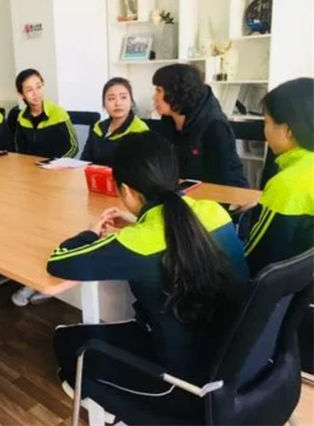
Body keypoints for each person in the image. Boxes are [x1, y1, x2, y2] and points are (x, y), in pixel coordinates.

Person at [49, 132, 249, 393]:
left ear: (126, 190)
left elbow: (59, 261)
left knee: (64, 340)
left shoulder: (136, 243)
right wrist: (138, 222)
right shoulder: (215, 211)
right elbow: (181, 235)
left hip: (179, 379)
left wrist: (91, 232)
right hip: (236, 359)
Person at [244, 78, 314, 275]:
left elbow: (255, 258)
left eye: (266, 122)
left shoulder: (287, 184)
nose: (264, 130)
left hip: (283, 287)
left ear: (287, 130)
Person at [152, 64, 248, 187]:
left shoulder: (215, 127)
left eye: (159, 91)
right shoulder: (169, 119)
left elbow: (218, 179)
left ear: (176, 92)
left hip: (225, 192)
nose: (154, 97)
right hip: (187, 188)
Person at [81, 77, 149, 166]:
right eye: (111, 98)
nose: (118, 103)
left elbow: (140, 169)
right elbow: (84, 161)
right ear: (104, 104)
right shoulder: (98, 128)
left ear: (131, 102)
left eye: (123, 97)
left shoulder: (139, 131)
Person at [14, 68, 78, 158]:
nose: (36, 93)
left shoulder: (58, 113)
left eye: (38, 87)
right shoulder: (22, 117)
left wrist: (55, 163)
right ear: (21, 95)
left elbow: (73, 147)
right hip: (30, 165)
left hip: (57, 165)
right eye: (29, 90)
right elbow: (20, 150)